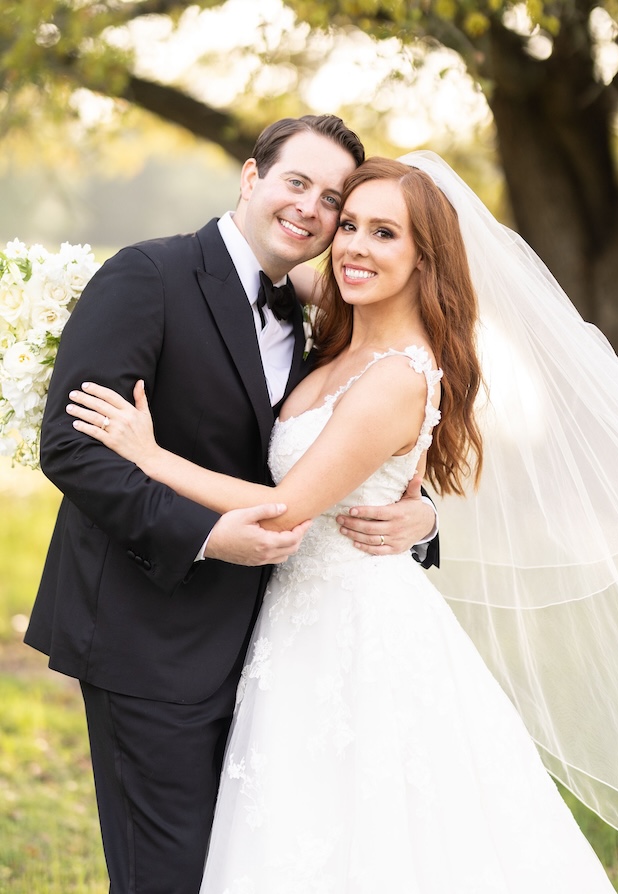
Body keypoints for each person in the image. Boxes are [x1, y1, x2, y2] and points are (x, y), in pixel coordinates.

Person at [66, 156, 618, 891]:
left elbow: (284, 505)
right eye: (352, 225)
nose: (357, 246)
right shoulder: (339, 330)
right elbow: (261, 259)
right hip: (291, 621)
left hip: (356, 632)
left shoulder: (397, 376)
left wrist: (150, 455)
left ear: (423, 257)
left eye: (385, 233)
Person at [24, 118, 439, 894]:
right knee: (171, 875)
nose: (313, 210)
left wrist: (426, 514)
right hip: (149, 631)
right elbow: (73, 448)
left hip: (273, 647)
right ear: (251, 178)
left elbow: (348, 446)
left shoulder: (320, 312)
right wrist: (209, 536)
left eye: (333, 199)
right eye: (296, 183)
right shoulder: (148, 276)